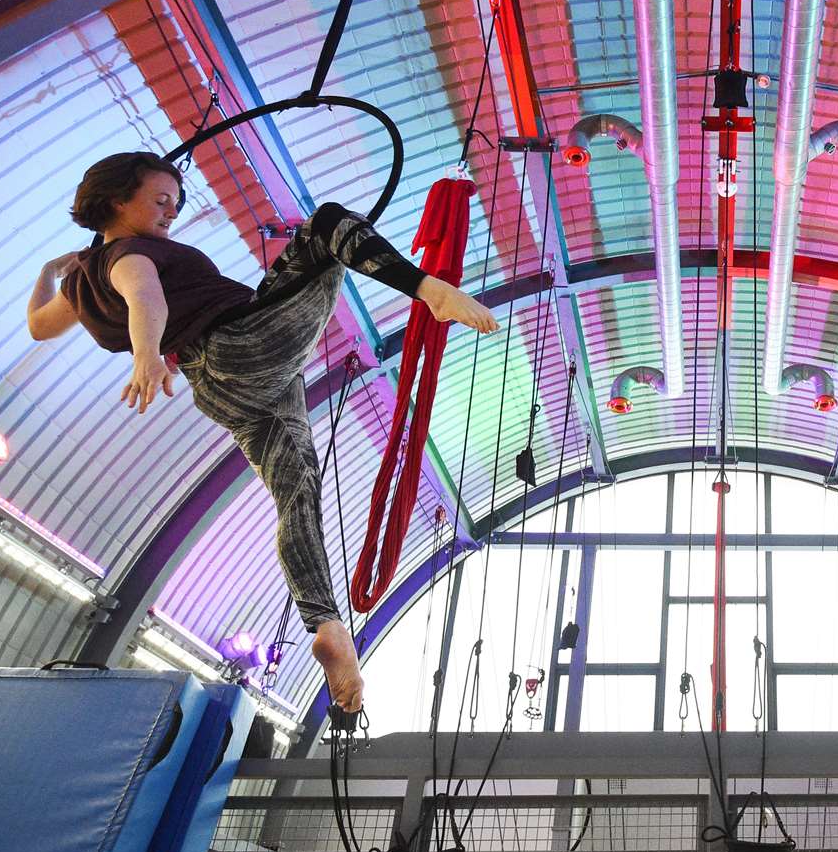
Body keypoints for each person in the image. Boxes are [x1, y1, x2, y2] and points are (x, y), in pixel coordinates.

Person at [27, 152, 498, 712]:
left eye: (176, 204)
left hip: (224, 391)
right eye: (159, 200)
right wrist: (148, 355)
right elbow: (143, 292)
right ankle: (429, 290)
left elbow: (38, 327)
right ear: (115, 201)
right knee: (325, 228)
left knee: (296, 494)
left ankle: (325, 622)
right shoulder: (132, 254)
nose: (171, 213)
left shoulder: (80, 282)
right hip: (243, 346)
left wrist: (49, 273)